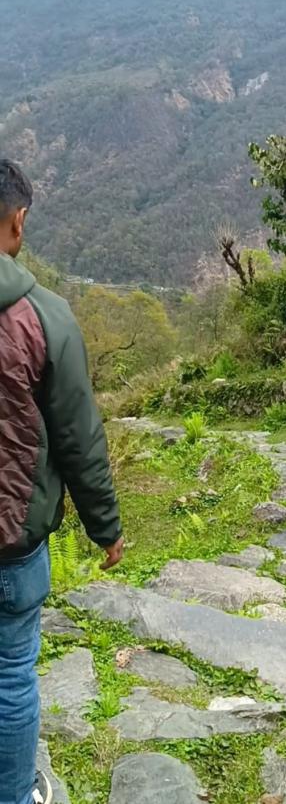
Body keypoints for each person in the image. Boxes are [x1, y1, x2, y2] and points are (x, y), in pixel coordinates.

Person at [0, 160, 124, 804]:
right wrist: (106, 528)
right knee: (12, 677)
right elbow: (78, 437)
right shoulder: (45, 317)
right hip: (12, 545)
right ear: (17, 221)